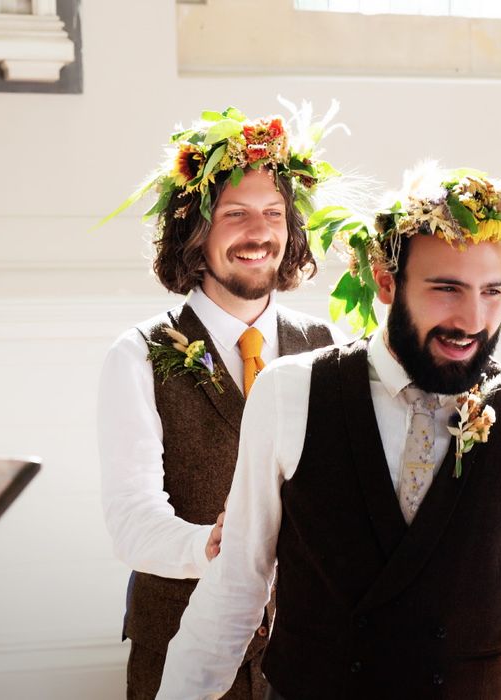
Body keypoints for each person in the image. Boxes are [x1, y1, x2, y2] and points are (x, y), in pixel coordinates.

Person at [156, 137, 501, 699]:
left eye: (492, 292)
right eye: (446, 289)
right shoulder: (289, 392)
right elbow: (236, 586)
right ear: (385, 281)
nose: (472, 319)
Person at [97, 102, 348, 700]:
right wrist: (207, 546)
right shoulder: (136, 355)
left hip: (308, 650)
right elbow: (130, 522)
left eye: (273, 213)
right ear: (196, 229)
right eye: (235, 214)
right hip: (181, 649)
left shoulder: (332, 348)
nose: (258, 232)